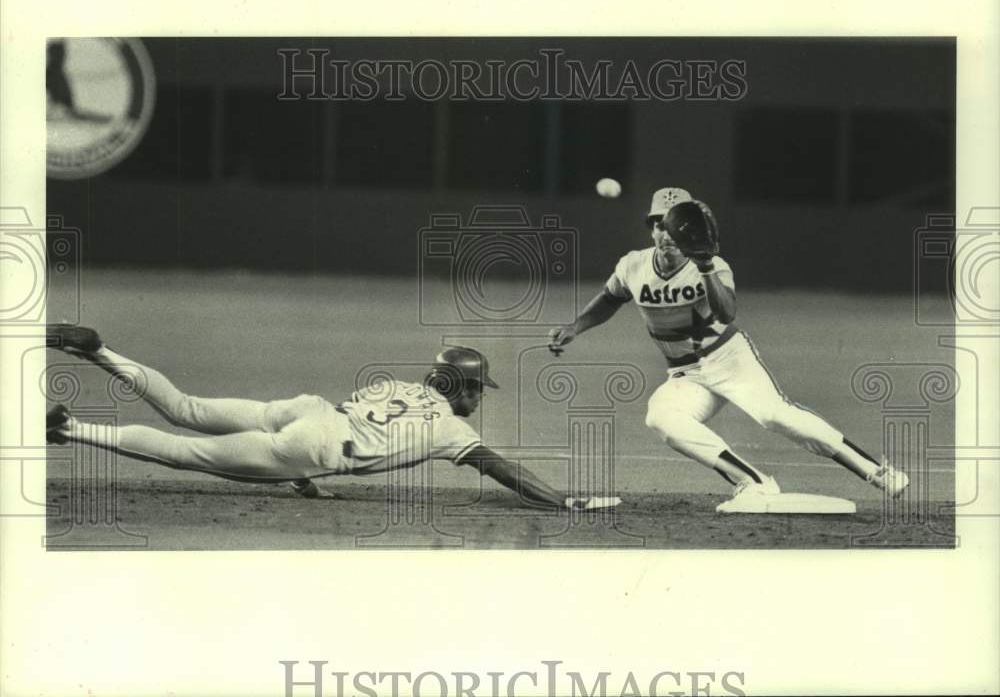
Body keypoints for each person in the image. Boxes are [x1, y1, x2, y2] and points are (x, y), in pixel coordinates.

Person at [547, 187, 909, 512]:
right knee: (661, 416)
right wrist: (574, 327)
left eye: (676, 225)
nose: (666, 232)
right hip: (686, 375)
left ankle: (877, 472)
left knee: (775, 415)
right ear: (651, 228)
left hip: (730, 360)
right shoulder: (632, 265)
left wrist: (704, 268)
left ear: (691, 231)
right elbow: (610, 299)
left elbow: (726, 311)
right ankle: (753, 482)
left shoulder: (712, 265)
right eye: (659, 223)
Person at [46, 325, 618, 512]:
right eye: (479, 390)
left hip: (309, 409)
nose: (480, 399)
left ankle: (96, 350)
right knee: (184, 451)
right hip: (317, 442)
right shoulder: (453, 429)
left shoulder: (396, 384)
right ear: (463, 389)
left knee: (187, 409)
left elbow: (339, 427)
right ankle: (67, 429)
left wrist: (299, 478)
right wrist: (561, 500)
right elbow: (505, 471)